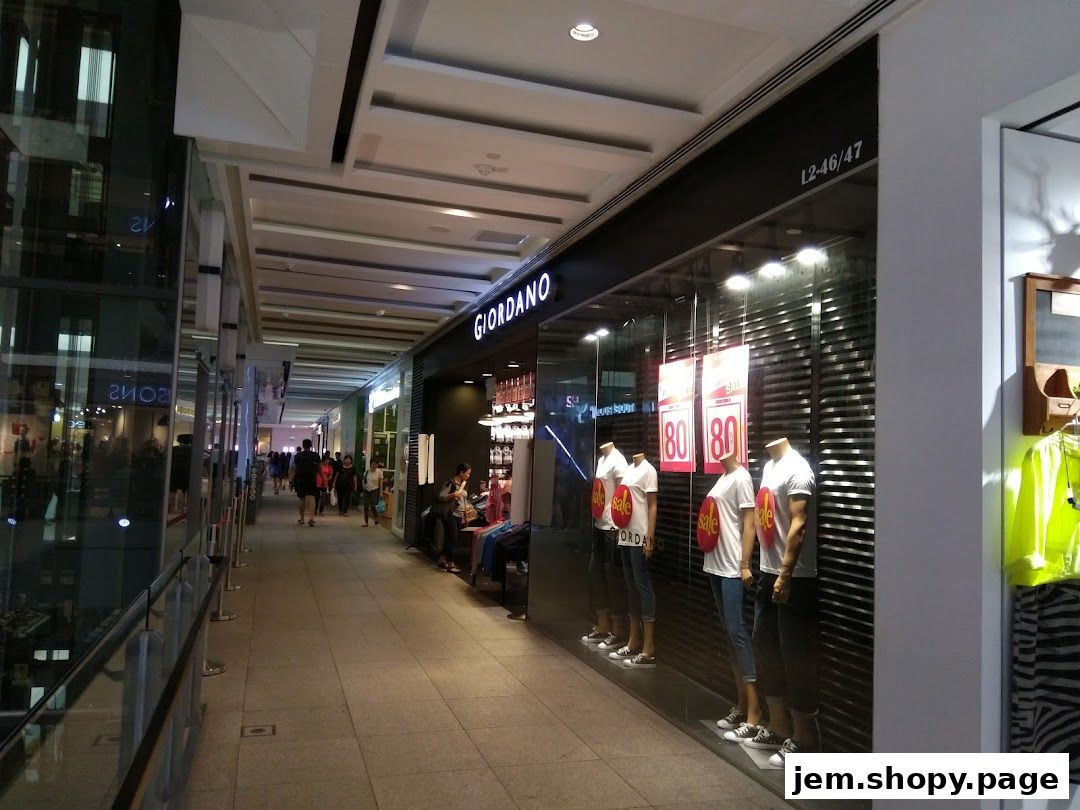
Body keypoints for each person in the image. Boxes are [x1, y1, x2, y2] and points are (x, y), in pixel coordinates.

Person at [435, 463, 470, 573]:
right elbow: (440, 497)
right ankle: (451, 564)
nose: (469, 476)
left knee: (451, 539)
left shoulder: (464, 484)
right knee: (453, 539)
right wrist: (453, 495)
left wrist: (466, 516)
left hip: (460, 516)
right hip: (451, 514)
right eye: (468, 473)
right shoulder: (450, 483)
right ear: (461, 473)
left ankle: (441, 560)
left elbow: (464, 501)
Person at [289, 439, 321, 526]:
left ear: (303, 446)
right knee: (311, 498)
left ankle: (302, 519)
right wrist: (322, 478)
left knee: (301, 498)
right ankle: (311, 518)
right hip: (311, 479)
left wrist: (291, 481)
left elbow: (294, 469)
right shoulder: (315, 455)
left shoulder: (298, 456)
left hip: (300, 479)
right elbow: (319, 468)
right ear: (310, 446)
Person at [361, 459, 383, 527]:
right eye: (373, 464)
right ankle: (366, 521)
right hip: (366, 490)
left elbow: (381, 484)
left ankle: (376, 518)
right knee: (366, 506)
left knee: (373, 505)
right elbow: (363, 479)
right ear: (370, 464)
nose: (374, 465)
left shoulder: (379, 472)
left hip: (374, 490)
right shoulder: (367, 471)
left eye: (375, 464)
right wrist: (363, 485)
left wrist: (381, 493)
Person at [317, 452, 334, 516]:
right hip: (318, 483)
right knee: (317, 497)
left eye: (328, 460)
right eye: (326, 460)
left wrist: (327, 478)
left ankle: (321, 511)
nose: (327, 461)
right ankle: (315, 509)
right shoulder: (319, 465)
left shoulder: (329, 467)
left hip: (325, 483)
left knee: (323, 498)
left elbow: (331, 475)